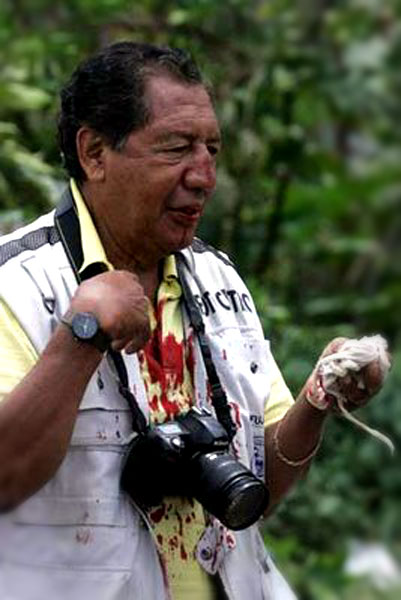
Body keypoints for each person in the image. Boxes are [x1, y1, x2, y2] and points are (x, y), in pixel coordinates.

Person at [0, 41, 388, 600]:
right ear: (94, 153)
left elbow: (258, 492)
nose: (204, 176)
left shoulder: (217, 278)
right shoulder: (17, 283)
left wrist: (317, 402)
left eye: (212, 149)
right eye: (177, 148)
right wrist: (81, 335)